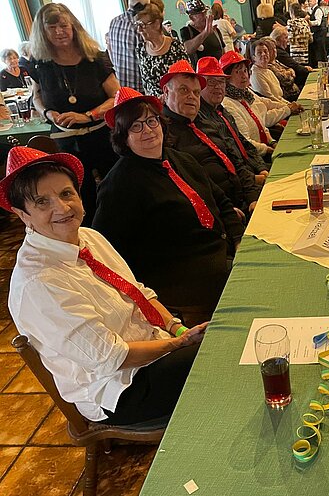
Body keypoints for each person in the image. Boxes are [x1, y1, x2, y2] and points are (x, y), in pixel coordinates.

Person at [3, 146, 206, 425]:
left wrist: (177, 328)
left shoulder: (89, 237)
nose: (62, 208)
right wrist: (179, 344)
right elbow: (112, 357)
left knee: (223, 342)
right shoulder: (39, 281)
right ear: (22, 214)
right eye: (42, 202)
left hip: (154, 345)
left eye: (66, 194)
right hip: (119, 386)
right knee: (217, 357)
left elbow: (138, 293)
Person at [93, 86, 245, 326]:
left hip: (221, 253)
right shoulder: (119, 185)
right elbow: (107, 251)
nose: (147, 130)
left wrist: (238, 239)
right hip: (181, 280)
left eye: (151, 121)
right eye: (135, 126)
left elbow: (221, 202)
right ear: (123, 137)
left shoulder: (181, 159)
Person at [29, 2, 120, 226]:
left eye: (63, 26)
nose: (59, 32)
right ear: (42, 32)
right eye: (52, 27)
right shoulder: (39, 64)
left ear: (74, 26)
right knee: (78, 193)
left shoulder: (95, 58)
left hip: (102, 136)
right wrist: (48, 113)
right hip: (65, 141)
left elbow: (117, 96)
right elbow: (37, 97)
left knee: (114, 187)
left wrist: (88, 115)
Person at [159, 59, 262, 216]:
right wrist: (224, 212)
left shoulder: (206, 122)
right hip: (220, 213)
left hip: (244, 200)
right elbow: (184, 189)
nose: (192, 97)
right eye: (184, 90)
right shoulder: (163, 135)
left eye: (196, 92)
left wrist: (252, 197)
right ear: (166, 92)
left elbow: (235, 161)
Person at [197, 57, 270, 180]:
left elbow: (244, 143)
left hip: (252, 168)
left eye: (221, 81)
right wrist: (255, 178)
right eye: (211, 82)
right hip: (243, 180)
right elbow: (228, 161)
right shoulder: (202, 119)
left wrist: (261, 168)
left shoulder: (222, 111)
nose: (218, 86)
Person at [220, 51, 299, 157]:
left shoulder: (245, 93)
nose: (244, 76)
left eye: (245, 71)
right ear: (227, 77)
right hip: (255, 156)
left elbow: (260, 123)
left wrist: (272, 142)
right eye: (238, 72)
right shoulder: (228, 104)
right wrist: (269, 150)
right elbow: (246, 142)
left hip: (266, 145)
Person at [135, 3, 190, 97]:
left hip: (175, 101)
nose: (139, 30)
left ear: (156, 24)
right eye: (137, 25)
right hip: (154, 104)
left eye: (142, 25)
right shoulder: (141, 50)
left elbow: (188, 80)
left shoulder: (175, 47)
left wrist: (166, 98)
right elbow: (146, 85)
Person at [107, 0, 152, 92]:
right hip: (141, 91)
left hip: (122, 89)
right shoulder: (142, 25)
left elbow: (110, 53)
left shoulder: (114, 22)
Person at [180, 0, 225, 65]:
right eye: (200, 14)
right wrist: (205, 33)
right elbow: (188, 50)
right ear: (191, 17)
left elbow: (223, 51)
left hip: (219, 69)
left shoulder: (215, 30)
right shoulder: (186, 31)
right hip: (200, 71)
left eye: (205, 12)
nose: (204, 16)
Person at [250, 38, 293, 104]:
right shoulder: (256, 74)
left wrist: (290, 104)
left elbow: (279, 96)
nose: (263, 54)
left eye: (265, 51)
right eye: (259, 53)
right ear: (254, 57)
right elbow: (270, 99)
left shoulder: (269, 71)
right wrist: (289, 107)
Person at [262, 37, 300, 101]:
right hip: (288, 98)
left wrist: (287, 72)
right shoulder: (268, 67)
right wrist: (289, 73)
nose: (275, 50)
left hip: (296, 93)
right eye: (271, 49)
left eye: (275, 48)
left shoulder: (276, 61)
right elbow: (286, 81)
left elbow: (291, 69)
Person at [287, 2, 313, 66]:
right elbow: (310, 39)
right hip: (305, 54)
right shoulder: (305, 23)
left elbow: (288, 40)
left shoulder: (291, 23)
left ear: (291, 12)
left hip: (294, 55)